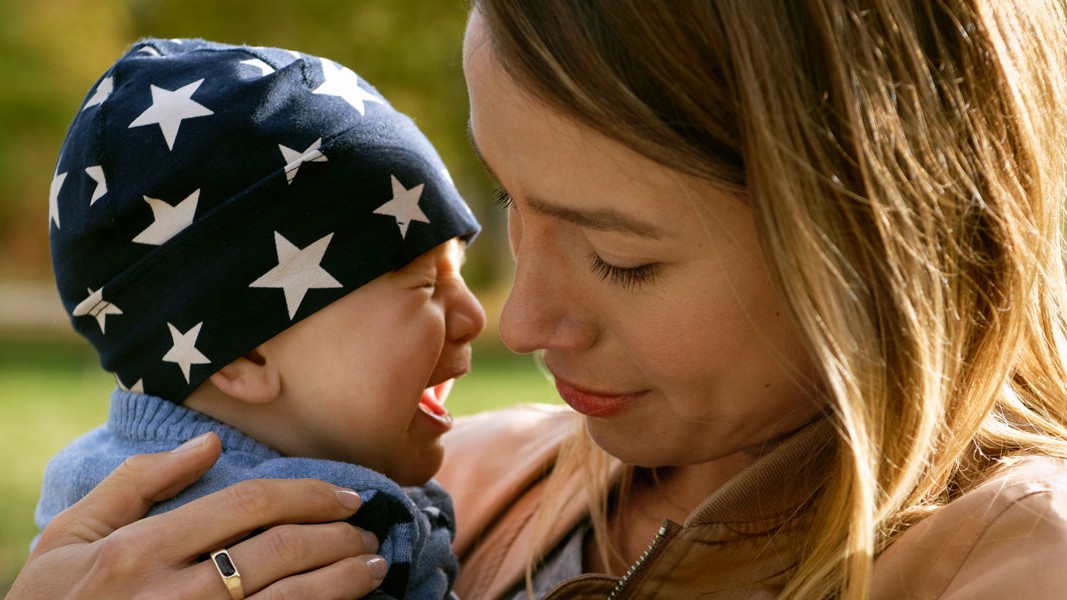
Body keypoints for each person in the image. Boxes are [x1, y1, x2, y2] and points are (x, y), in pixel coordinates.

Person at [10, 1, 1067, 598]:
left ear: (879, 239)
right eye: (511, 201)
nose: (516, 325)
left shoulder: (1010, 564)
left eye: (622, 257)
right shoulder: (459, 477)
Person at [33, 37, 485, 600]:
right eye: (424, 282)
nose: (475, 316)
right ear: (244, 351)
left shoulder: (90, 494)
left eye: (458, 271)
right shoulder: (312, 546)